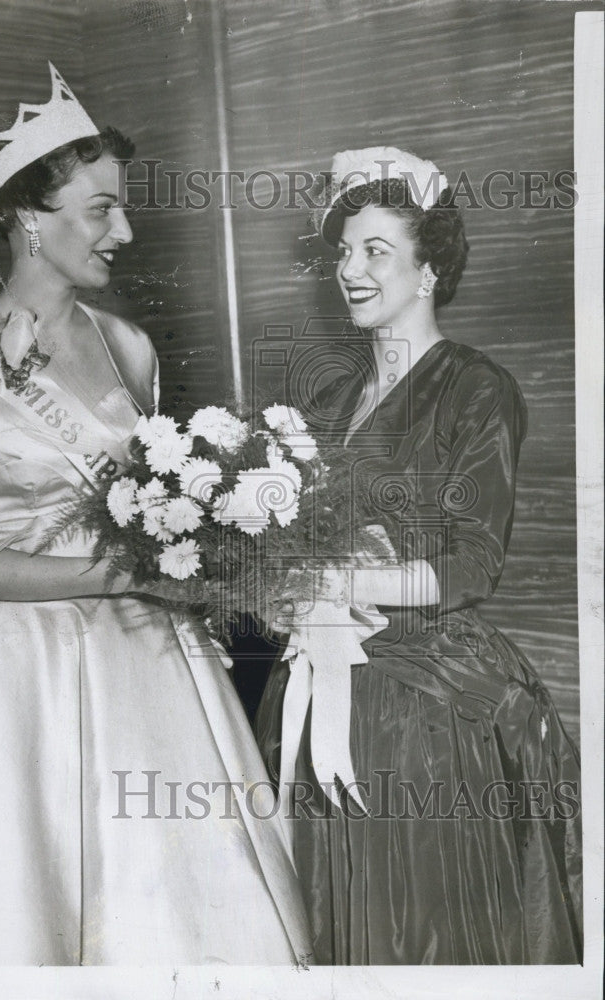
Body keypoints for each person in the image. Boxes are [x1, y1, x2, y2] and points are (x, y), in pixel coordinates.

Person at [0, 63, 312, 966]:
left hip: (156, 667)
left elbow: (151, 499)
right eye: (102, 208)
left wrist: (204, 543)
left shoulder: (130, 347)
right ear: (31, 217)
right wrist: (135, 573)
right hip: (18, 682)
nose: (126, 229)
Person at [255, 146, 582, 964]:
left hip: (427, 705)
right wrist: (275, 588)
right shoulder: (327, 400)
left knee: (425, 933)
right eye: (343, 252)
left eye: (376, 251)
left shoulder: (478, 388)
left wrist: (336, 578)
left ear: (428, 269)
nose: (350, 270)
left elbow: (473, 567)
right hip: (319, 679)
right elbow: (285, 545)